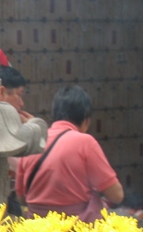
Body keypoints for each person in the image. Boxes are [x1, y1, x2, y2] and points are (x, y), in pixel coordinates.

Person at [16, 85, 123, 222]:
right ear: (86, 121)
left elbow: (22, 198)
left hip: (37, 231)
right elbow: (116, 195)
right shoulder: (85, 142)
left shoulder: (35, 140)